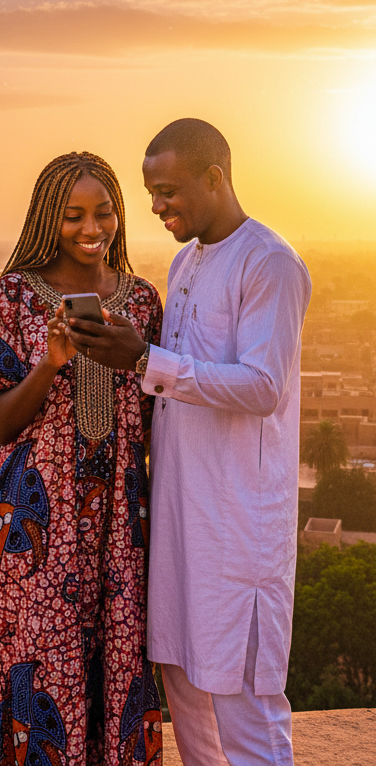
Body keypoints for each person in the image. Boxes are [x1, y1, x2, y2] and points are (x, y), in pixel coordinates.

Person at [65, 120, 311, 766]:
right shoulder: (186, 263)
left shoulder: (271, 263)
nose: (156, 207)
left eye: (168, 191)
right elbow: (173, 378)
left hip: (238, 535)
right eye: (150, 194)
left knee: (245, 711)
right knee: (188, 704)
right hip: (180, 525)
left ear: (214, 178)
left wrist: (144, 356)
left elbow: (261, 386)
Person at [0, 151, 164, 766]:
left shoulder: (144, 302)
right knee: (39, 689)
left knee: (120, 673)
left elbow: (164, 416)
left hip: (120, 535)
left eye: (103, 213)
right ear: (50, 218)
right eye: (73, 215)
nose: (90, 228)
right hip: (31, 535)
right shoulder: (15, 298)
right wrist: (49, 364)